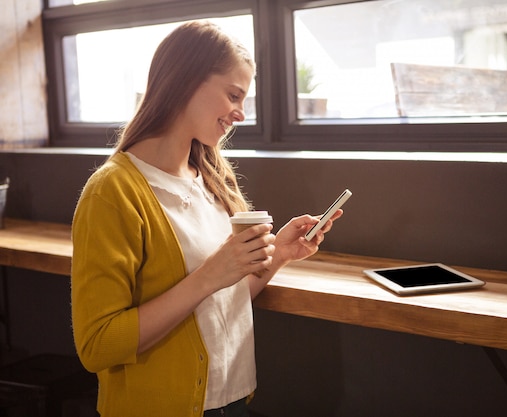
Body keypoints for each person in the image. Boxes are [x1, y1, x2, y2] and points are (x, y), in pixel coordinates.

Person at [71, 21, 342, 417]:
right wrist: (212, 273)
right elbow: (98, 345)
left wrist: (278, 255)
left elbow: (221, 298)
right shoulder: (112, 193)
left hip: (231, 400)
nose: (241, 113)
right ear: (186, 80)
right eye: (234, 95)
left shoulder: (212, 178)